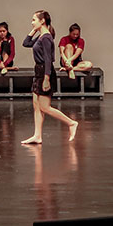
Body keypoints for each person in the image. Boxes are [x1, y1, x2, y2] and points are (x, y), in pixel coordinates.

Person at [20, 10, 79, 145]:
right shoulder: (42, 36)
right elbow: (26, 43)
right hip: (39, 72)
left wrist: (46, 78)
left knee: (44, 107)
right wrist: (34, 30)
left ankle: (71, 123)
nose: (32, 22)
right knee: (36, 106)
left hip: (45, 73)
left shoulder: (46, 38)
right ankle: (37, 135)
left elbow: (48, 59)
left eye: (34, 20)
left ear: (42, 21)